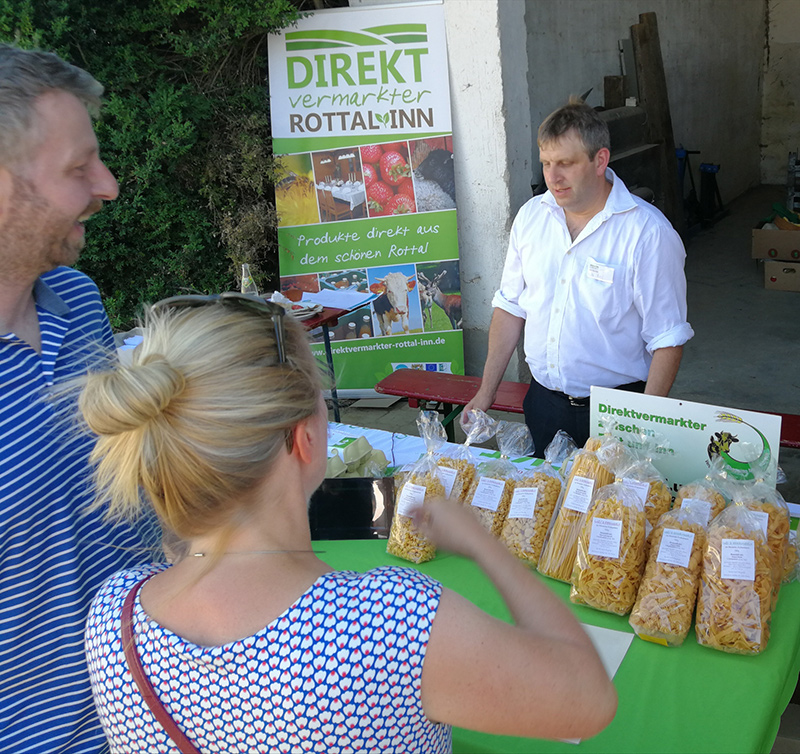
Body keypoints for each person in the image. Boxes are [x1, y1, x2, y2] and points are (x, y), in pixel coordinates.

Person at [81, 295, 617, 752]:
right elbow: (586, 699)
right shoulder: (388, 624)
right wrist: (486, 545)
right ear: (306, 437)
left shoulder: (113, 614)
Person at [0, 45, 154, 752]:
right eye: (77, 168)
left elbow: (119, 494)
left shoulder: (79, 301)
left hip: (160, 714)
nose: (109, 185)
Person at [464, 99, 693, 453]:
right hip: (543, 404)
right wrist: (486, 392)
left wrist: (642, 426)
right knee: (544, 490)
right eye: (546, 163)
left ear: (600, 160)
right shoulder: (531, 217)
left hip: (618, 412)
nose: (553, 177)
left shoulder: (648, 234)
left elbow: (668, 338)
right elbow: (510, 308)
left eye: (566, 164)